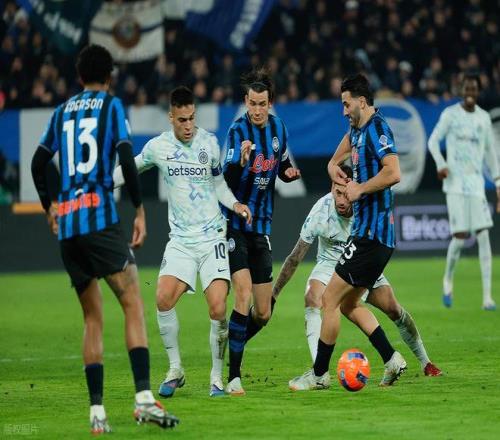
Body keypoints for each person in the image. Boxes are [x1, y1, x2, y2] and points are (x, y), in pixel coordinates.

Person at [30, 44, 178, 434]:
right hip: (99, 220)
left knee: (92, 318)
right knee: (133, 304)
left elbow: (38, 163)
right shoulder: (111, 107)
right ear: (109, 76)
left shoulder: (61, 112)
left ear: (79, 76)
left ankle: (97, 412)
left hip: (69, 229)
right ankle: (143, 400)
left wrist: (49, 207)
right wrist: (139, 209)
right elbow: (126, 158)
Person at [113, 86, 252, 398]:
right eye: (182, 120)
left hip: (212, 236)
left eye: (192, 118)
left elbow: (218, 184)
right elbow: (131, 168)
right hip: (181, 240)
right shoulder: (159, 147)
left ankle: (216, 377)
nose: (189, 126)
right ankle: (176, 368)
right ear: (171, 117)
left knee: (217, 306)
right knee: (163, 299)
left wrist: (235, 205)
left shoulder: (209, 143)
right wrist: (101, 184)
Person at [289, 73, 407, 391]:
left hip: (371, 234)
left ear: (362, 102)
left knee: (328, 299)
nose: (343, 111)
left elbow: (394, 172)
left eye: (346, 104)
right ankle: (392, 359)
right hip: (371, 237)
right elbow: (337, 157)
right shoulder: (356, 129)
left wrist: (360, 189)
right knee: (348, 304)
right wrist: (332, 167)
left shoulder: (378, 128)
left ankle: (318, 375)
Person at [273, 165, 442, 377]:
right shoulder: (320, 211)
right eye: (337, 193)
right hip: (329, 262)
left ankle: (425, 362)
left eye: (346, 194)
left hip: (362, 258)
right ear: (331, 188)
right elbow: (295, 257)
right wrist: (274, 294)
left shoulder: (366, 209)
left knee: (392, 308)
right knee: (313, 297)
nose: (341, 200)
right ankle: (319, 369)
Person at [221, 68, 301, 395]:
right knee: (242, 294)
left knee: (264, 312)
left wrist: (288, 173)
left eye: (262, 104)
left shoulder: (279, 128)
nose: (257, 110)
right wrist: (240, 162)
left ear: (270, 103)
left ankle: (233, 339)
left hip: (261, 227)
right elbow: (224, 180)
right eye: (252, 104)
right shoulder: (237, 131)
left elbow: (280, 163)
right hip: (234, 224)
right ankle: (233, 376)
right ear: (246, 102)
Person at [428, 73, 500, 310]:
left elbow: (490, 153)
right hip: (455, 185)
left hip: (476, 185)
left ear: (478, 92)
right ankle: (447, 280)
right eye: (467, 89)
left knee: (483, 235)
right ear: (461, 91)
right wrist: (441, 164)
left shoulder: (483, 118)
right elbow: (433, 141)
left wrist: (498, 182)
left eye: (474, 89)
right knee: (459, 238)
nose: (470, 93)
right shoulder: (450, 115)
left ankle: (487, 297)